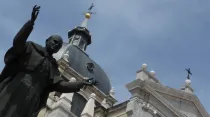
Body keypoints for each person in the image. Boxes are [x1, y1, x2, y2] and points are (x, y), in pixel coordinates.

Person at [0, 5, 97, 117]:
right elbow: (17, 43)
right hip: (16, 87)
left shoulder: (53, 66)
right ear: (47, 41)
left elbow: (60, 85)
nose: (56, 45)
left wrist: (80, 83)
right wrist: (30, 24)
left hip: (32, 98)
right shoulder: (32, 48)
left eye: (58, 45)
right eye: (54, 41)